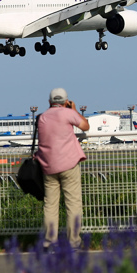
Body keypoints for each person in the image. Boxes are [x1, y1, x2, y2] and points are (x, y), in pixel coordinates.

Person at [35, 87, 90, 247]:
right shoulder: (68, 113)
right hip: (69, 164)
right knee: (73, 203)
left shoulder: (42, 117)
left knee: (50, 205)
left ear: (49, 102)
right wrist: (74, 109)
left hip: (48, 165)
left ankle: (49, 241)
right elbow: (85, 126)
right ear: (66, 101)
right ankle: (73, 241)